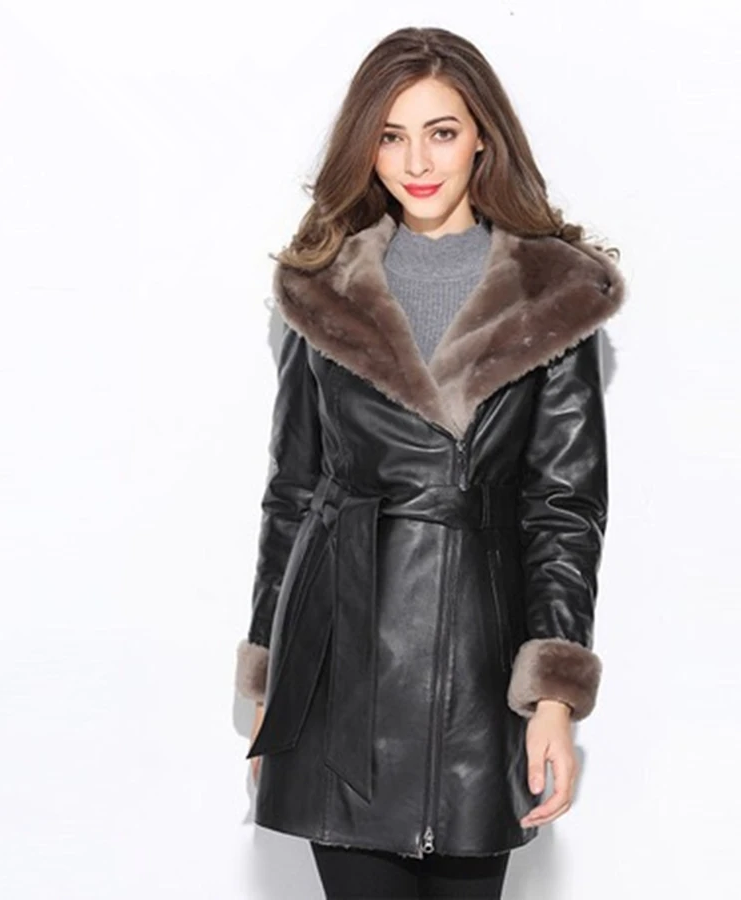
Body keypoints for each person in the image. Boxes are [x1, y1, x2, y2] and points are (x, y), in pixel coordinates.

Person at [234, 25, 626, 900]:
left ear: (482, 136)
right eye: (391, 135)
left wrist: (554, 698)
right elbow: (292, 491)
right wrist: (269, 681)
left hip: (477, 674)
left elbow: (564, 507)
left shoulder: (555, 294)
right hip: (336, 669)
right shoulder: (321, 285)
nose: (416, 161)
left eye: (441, 132)